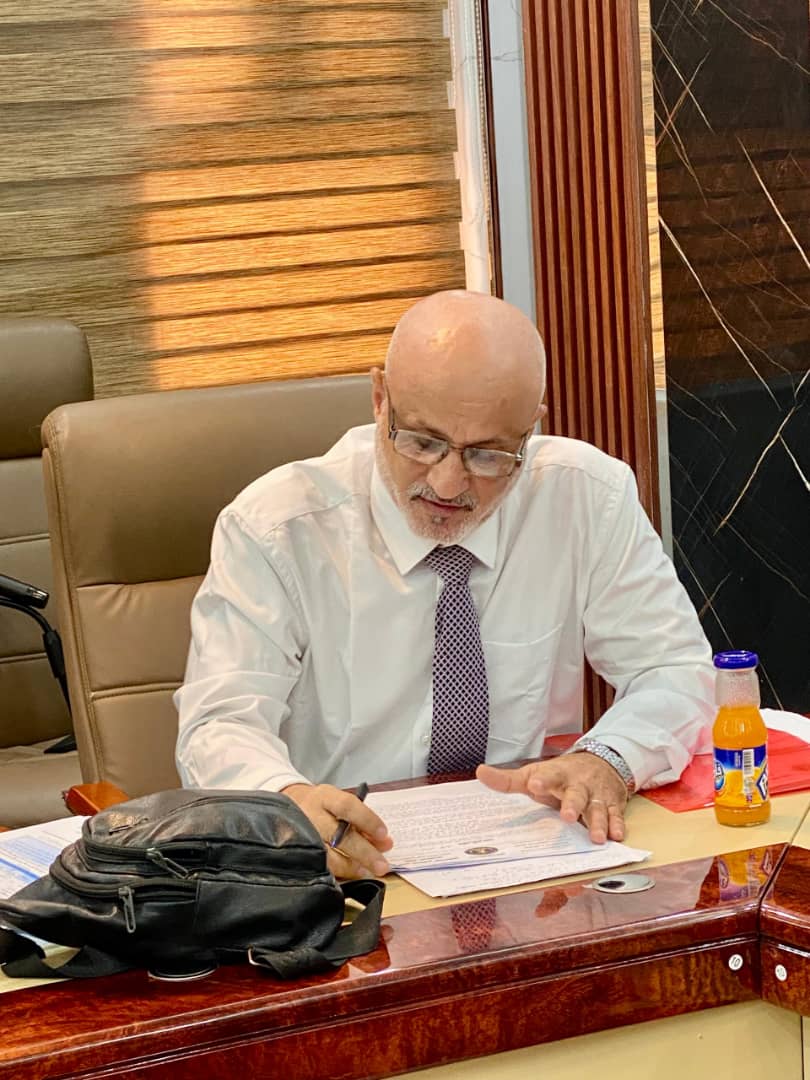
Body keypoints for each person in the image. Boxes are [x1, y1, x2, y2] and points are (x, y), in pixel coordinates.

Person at [175, 290, 714, 880]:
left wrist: (609, 758)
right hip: (346, 864)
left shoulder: (586, 496)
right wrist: (287, 802)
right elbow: (220, 723)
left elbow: (674, 668)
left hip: (530, 859)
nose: (448, 483)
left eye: (488, 455)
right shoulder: (277, 528)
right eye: (422, 442)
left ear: (529, 430)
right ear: (379, 399)